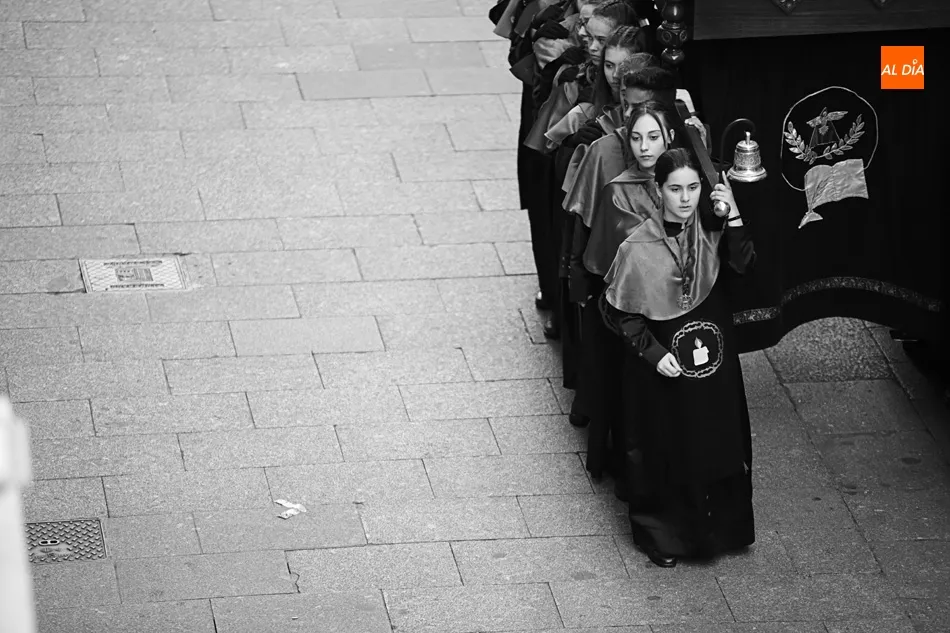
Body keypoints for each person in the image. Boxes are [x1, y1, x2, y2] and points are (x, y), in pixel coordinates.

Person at [601, 148, 756, 567]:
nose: (685, 198)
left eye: (692, 188)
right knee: (666, 448)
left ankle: (723, 530)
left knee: (717, 440)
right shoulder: (637, 248)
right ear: (659, 190)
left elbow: (745, 267)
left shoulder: (711, 233)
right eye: (675, 189)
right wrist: (653, 354)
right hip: (664, 372)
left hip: (714, 371)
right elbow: (618, 313)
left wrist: (734, 215)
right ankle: (662, 536)